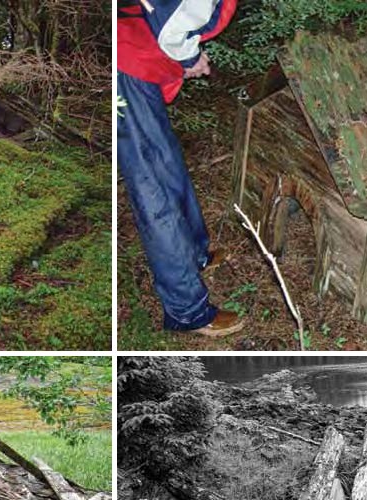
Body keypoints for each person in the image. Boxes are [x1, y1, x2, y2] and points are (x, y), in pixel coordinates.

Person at [117, 0, 243, 338]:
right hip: (125, 66)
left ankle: (194, 255)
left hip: (136, 60)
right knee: (154, 192)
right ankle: (188, 311)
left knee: (168, 168)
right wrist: (190, 58)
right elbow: (172, 30)